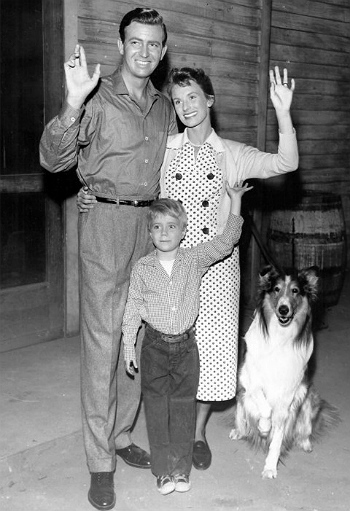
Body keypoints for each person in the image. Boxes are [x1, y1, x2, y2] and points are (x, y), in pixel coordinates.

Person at [77, 65, 298, 472]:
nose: (185, 107)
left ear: (209, 100)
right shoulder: (166, 146)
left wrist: (283, 111)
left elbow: (286, 162)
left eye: (193, 97)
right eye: (177, 102)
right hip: (166, 266)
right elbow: (127, 173)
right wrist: (89, 191)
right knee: (165, 349)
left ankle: (196, 432)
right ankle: (165, 433)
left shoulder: (232, 153)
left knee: (211, 357)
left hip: (214, 269)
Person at [39, 8, 177, 511]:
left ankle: (120, 435)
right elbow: (53, 160)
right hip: (105, 227)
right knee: (101, 344)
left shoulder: (165, 108)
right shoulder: (95, 99)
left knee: (136, 335)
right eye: (135, 42)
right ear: (121, 45)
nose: (143, 52)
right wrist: (72, 102)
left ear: (163, 52)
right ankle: (101, 463)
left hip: (151, 230)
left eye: (153, 45)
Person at [122, 180, 251, 495]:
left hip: (185, 348)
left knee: (182, 408)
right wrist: (129, 345)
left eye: (171, 226)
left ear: (183, 231)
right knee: (156, 408)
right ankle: (162, 472)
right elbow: (133, 308)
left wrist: (235, 201)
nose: (164, 233)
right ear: (150, 233)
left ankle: (180, 471)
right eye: (157, 227)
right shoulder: (142, 268)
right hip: (153, 346)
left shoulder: (193, 259)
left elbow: (227, 241)